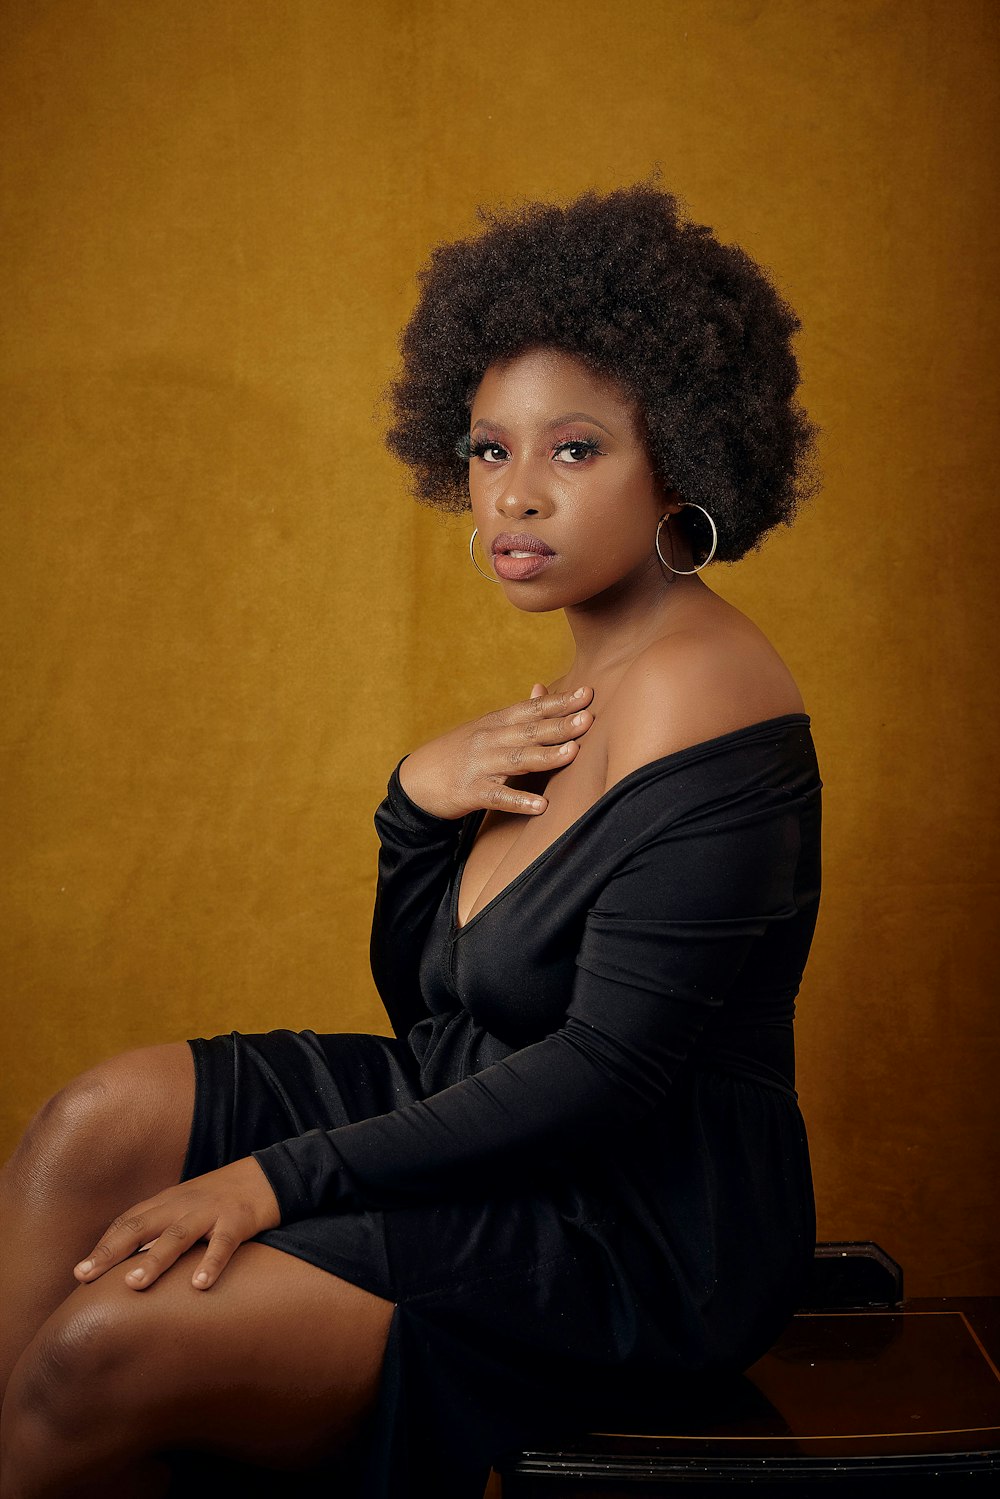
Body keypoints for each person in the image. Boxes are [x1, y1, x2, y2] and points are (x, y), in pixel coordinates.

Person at [0, 179, 822, 1498]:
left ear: (679, 451)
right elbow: (429, 1014)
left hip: (633, 1229)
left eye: (574, 449)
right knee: (94, 1125)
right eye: (490, 451)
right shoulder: (567, 702)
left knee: (99, 1352)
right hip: (493, 1129)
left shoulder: (702, 692)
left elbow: (605, 1076)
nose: (516, 498)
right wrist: (411, 814)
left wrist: (272, 1182)